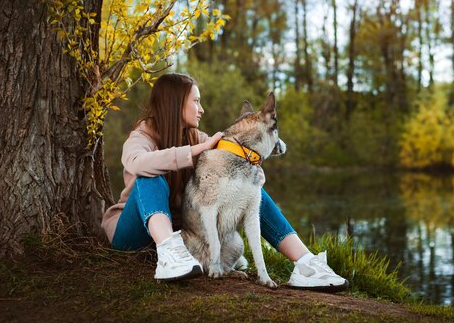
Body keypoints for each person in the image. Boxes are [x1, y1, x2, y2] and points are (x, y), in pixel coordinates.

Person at [101, 72, 348, 291]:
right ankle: (169, 252)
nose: (202, 109)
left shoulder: (195, 136)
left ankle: (306, 264)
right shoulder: (142, 134)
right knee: (149, 175)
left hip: (184, 236)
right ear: (176, 104)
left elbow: (238, 158)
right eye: (196, 101)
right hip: (131, 235)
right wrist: (196, 151)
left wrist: (251, 172)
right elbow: (135, 162)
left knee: (252, 192)